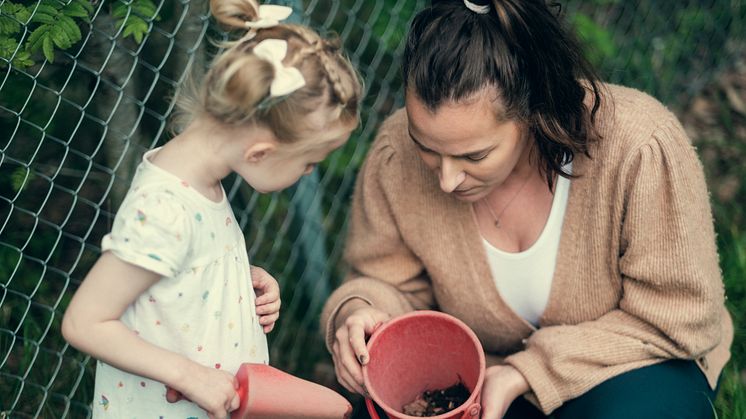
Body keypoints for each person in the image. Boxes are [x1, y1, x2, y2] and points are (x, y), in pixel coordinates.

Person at [320, 0, 732, 418]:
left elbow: (681, 318)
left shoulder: (639, 147)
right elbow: (385, 280)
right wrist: (359, 311)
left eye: (474, 156)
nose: (446, 180)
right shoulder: (396, 156)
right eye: (426, 148)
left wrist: (525, 372)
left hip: (630, 365)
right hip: (485, 380)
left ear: (535, 111)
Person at [61, 0, 362, 417]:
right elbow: (85, 322)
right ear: (259, 152)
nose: (310, 173)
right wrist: (188, 375)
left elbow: (181, 269)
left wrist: (238, 282)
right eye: (309, 162)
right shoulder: (165, 208)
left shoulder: (201, 179)